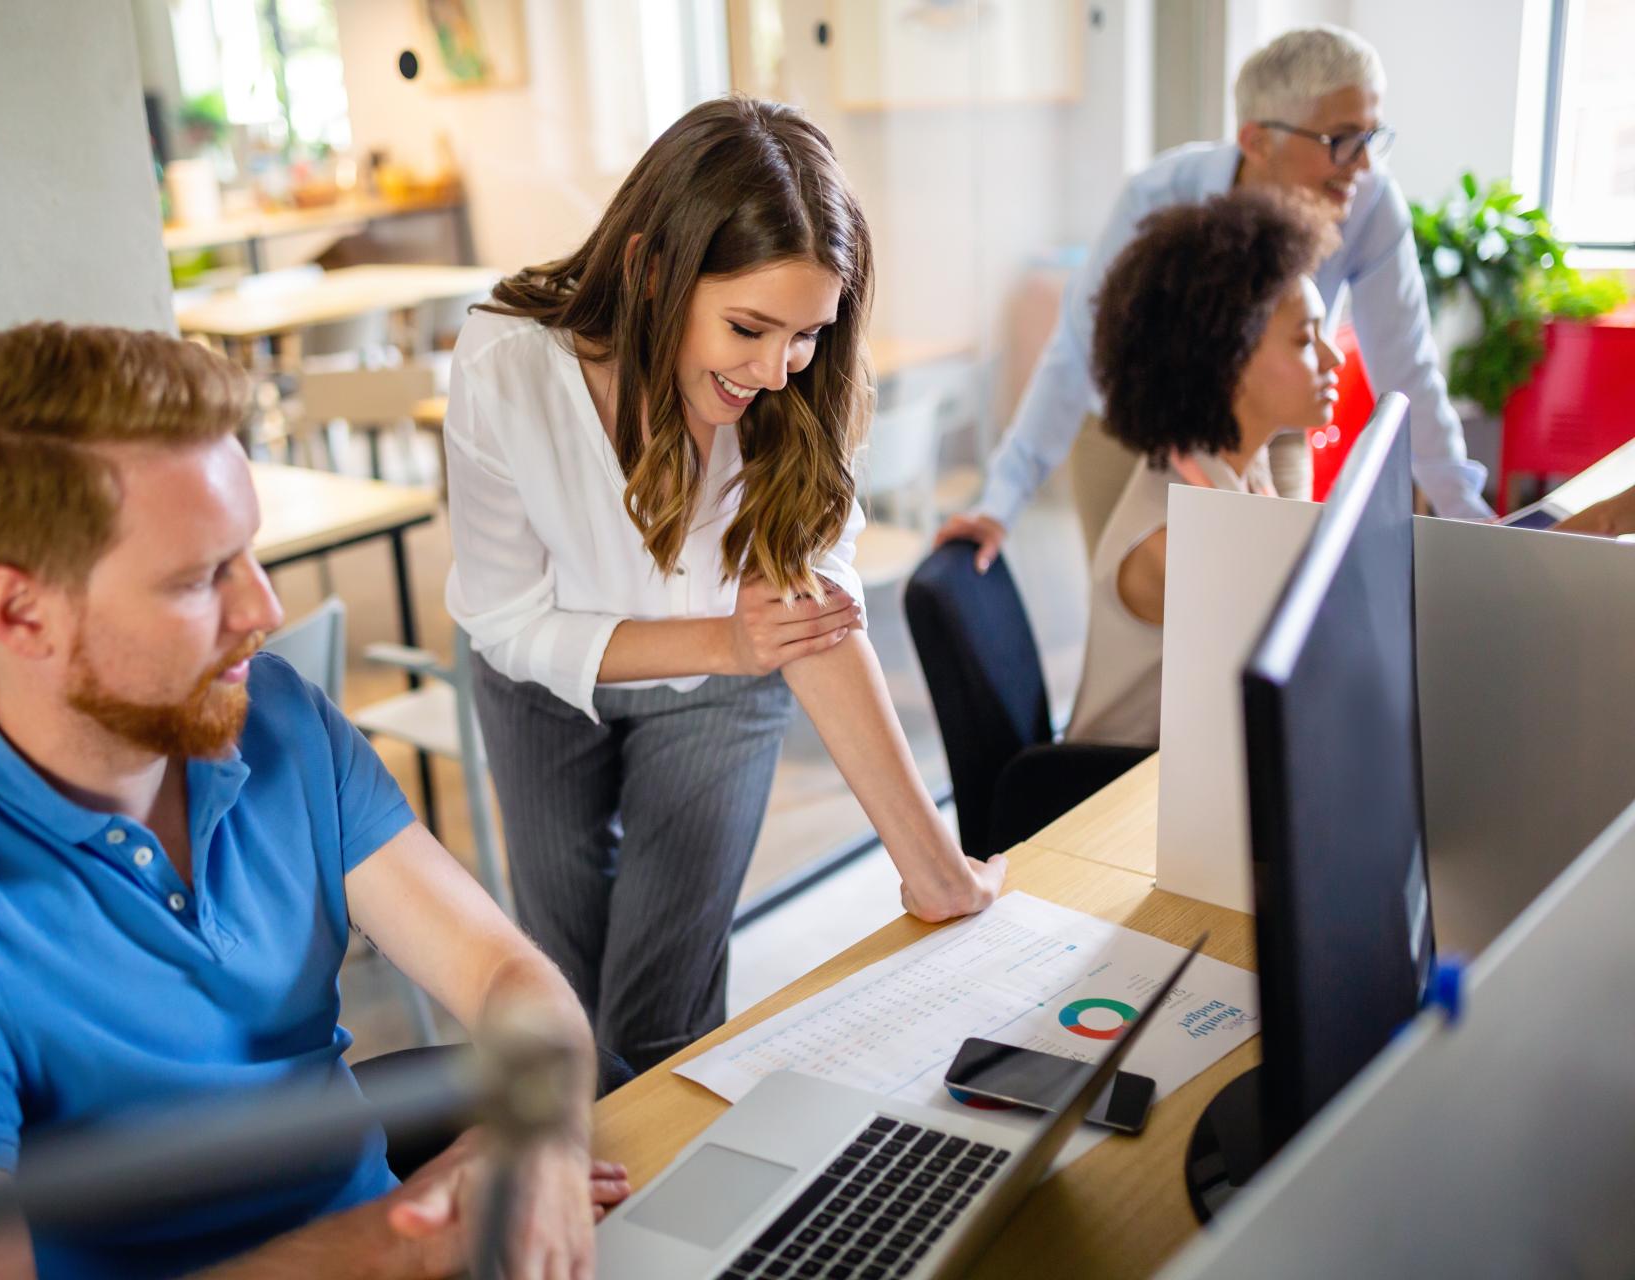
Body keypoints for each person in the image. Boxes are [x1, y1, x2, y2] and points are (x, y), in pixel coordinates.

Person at [0, 323, 627, 1279]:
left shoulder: (279, 720)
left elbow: (499, 970)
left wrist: (539, 1138)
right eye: (200, 578)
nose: (266, 610)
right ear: (23, 613)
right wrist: (382, 1250)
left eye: (248, 554)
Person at [443, 96, 1004, 1074]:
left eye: (807, 333)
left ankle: (684, 1218)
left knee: (655, 1023)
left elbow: (812, 622)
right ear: (652, 269)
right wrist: (726, 642)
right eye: (748, 326)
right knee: (566, 1011)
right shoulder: (506, 363)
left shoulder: (798, 389)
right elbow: (506, 617)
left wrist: (938, 872)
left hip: (718, 690)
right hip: (542, 683)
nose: (778, 370)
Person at [937, 23, 1491, 574]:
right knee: (1145, 611)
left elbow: (1408, 369)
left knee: (1281, 604)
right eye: (1342, 140)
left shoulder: (1371, 205)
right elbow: (1076, 351)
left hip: (1268, 427)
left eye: (1372, 137)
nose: (1364, 165)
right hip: (1135, 435)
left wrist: (1468, 518)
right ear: (1255, 140)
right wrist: (1000, 504)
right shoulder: (1160, 197)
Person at [1064, 190, 1342, 748]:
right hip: (1107, 800)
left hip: (1183, 772)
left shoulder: (1238, 465)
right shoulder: (1176, 542)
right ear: (1229, 361)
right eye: (1304, 338)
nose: (1332, 357)